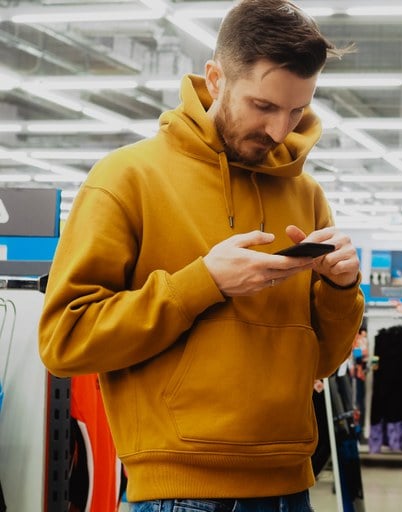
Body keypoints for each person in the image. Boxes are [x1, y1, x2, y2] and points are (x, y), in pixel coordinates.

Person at [37, 1, 364, 511]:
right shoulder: (127, 179)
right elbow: (65, 340)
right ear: (215, 78)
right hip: (179, 494)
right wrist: (203, 282)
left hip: (290, 489)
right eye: (263, 106)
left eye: (297, 110)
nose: (281, 131)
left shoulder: (307, 195)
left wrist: (342, 289)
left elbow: (321, 358)